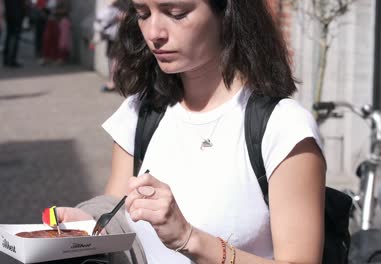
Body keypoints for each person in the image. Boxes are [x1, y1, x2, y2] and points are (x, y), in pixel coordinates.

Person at [57, 0, 326, 263]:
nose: (154, 33)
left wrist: (190, 239)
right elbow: (116, 214)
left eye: (176, 13)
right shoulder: (139, 112)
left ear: (227, 12)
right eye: (142, 13)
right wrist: (89, 225)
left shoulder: (283, 127)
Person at [92, 0, 125, 92]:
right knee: (115, 60)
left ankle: (112, 82)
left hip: (113, 37)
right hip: (115, 37)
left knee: (114, 60)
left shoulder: (109, 10)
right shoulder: (115, 11)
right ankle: (113, 82)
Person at [2, 0, 26, 67]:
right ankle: (12, 59)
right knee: (15, 37)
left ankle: (6, 59)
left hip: (9, 14)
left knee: (9, 36)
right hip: (17, 14)